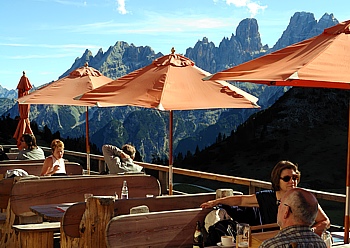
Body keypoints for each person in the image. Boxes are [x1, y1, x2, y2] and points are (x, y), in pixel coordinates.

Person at [200, 160, 330, 235]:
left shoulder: (302, 198)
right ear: (277, 180)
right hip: (271, 241)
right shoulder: (267, 197)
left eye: (295, 177)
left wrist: (309, 232)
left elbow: (325, 221)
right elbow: (241, 200)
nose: (292, 181)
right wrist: (216, 202)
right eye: (287, 178)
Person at [259, 188, 327, 247]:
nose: (278, 207)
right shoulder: (320, 244)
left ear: (286, 211)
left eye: (279, 203)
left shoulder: (271, 245)